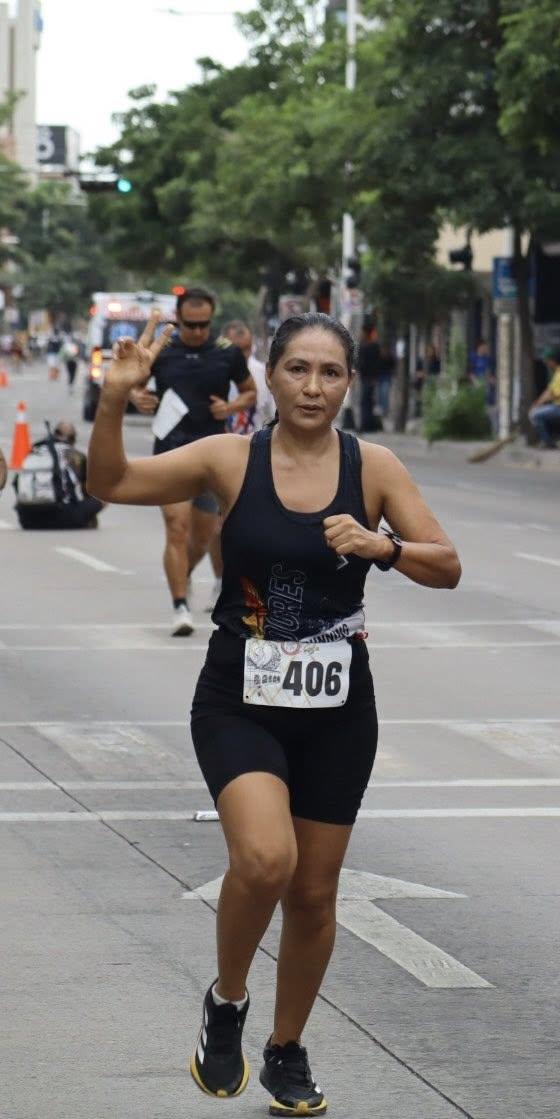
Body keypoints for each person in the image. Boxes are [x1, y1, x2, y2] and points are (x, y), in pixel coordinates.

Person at [88, 310, 461, 1117]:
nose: (313, 387)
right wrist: (115, 402)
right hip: (239, 699)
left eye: (330, 373)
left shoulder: (375, 466)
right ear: (272, 376)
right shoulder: (232, 456)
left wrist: (382, 546)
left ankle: (287, 1048)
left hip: (336, 708)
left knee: (317, 893)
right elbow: (110, 484)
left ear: (348, 384)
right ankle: (228, 1001)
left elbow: (448, 564)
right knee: (264, 859)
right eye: (297, 370)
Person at [129, 287, 256, 636]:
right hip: (170, 451)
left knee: (202, 537)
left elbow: (250, 392)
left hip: (211, 455)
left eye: (204, 325)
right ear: (178, 318)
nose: (198, 332)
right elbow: (135, 386)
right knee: (176, 527)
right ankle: (180, 606)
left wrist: (229, 408)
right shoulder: (164, 349)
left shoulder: (227, 353)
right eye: (190, 324)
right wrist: (139, 398)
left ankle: (181, 574)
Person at [13, 420, 105, 529]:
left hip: (26, 520)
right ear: (72, 438)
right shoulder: (75, 456)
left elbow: (16, 484)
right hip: (61, 517)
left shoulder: (35, 451)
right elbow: (89, 490)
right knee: (103, 496)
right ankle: (85, 521)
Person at [224, 321, 276, 435]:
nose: (244, 355)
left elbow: (273, 412)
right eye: (237, 350)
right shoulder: (216, 374)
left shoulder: (264, 373)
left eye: (247, 348)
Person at [530, 351, 560, 449]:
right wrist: (537, 403)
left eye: (547, 361)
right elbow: (549, 390)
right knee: (535, 411)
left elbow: (559, 394)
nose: (546, 363)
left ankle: (548, 443)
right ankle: (553, 438)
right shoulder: (558, 373)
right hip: (558, 406)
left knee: (535, 415)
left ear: (553, 361)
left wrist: (541, 403)